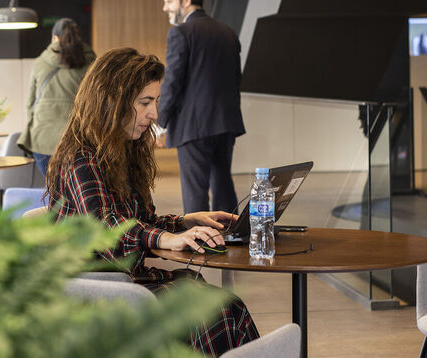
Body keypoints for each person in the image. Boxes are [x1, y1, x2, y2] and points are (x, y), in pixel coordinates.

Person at [48, 48, 259, 356]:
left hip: (128, 282)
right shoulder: (81, 157)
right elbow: (107, 229)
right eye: (145, 102)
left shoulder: (124, 152)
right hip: (98, 291)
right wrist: (168, 238)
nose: (155, 114)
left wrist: (186, 223)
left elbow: (140, 221)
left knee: (226, 306)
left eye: (156, 102)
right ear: (112, 99)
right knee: (215, 312)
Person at [158, 0, 246, 214]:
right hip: (226, 123)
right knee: (223, 184)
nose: (165, 8)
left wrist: (159, 123)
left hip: (193, 126)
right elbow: (236, 80)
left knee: (195, 190)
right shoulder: (227, 32)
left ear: (186, 0)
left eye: (169, 1)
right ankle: (232, 235)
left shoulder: (181, 33)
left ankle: (202, 241)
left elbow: (173, 82)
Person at [17, 18, 96, 178]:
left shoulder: (41, 62)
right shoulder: (91, 63)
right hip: (77, 140)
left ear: (54, 38)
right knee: (76, 191)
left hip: (42, 139)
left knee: (54, 191)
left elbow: (30, 103)